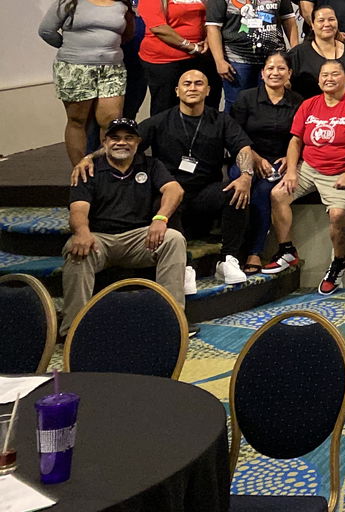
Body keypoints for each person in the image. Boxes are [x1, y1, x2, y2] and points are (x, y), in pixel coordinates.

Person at [76, 68, 258, 291]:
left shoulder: (221, 120)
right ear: (177, 91)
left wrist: (246, 176)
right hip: (169, 194)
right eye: (187, 83)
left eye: (199, 84)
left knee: (237, 191)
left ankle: (227, 259)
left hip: (204, 194)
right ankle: (184, 268)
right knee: (161, 201)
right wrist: (89, 158)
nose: (192, 88)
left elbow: (243, 147)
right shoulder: (160, 121)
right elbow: (125, 143)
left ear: (209, 90)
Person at [265, 60, 345, 293]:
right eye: (324, 74)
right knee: (277, 194)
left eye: (335, 74)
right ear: (318, 80)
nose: (329, 78)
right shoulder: (309, 105)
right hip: (309, 167)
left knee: (337, 215)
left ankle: (338, 263)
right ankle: (287, 250)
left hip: (342, 169)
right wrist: (291, 171)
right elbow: (295, 140)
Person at [62, 117, 185, 324]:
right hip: (100, 239)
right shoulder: (88, 170)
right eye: (115, 138)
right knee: (76, 248)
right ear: (105, 142)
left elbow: (175, 189)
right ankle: (74, 328)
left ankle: (171, 321)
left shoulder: (151, 165)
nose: (122, 142)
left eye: (129, 138)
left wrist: (160, 218)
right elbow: (78, 210)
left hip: (139, 239)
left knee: (174, 239)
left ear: (137, 142)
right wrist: (82, 232)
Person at [39, 0, 134, 164]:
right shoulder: (70, 0)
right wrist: (72, 49)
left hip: (113, 68)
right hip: (75, 68)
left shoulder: (121, 5)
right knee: (77, 120)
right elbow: (46, 30)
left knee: (110, 122)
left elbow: (127, 34)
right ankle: (79, 171)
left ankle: (104, 170)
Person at [227, 50, 298, 275]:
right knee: (238, 185)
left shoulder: (297, 101)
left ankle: (254, 251)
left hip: (279, 161)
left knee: (264, 190)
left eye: (281, 68)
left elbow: (299, 137)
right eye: (270, 68)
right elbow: (234, 134)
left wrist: (290, 157)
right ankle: (231, 252)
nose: (275, 73)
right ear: (262, 72)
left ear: (289, 73)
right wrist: (254, 158)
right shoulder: (246, 97)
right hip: (247, 156)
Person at [205, 0, 297, 109]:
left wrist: (295, 52)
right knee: (237, 106)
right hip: (237, 61)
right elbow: (213, 28)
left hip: (272, 59)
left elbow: (289, 20)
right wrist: (219, 60)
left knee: (272, 104)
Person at [138, 0, 218, 115]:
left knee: (194, 107)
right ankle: (163, 142)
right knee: (166, 109)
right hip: (165, 62)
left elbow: (202, 18)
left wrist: (205, 41)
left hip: (194, 58)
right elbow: (159, 28)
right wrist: (190, 46)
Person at [107, 0, 152, 119]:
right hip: (113, 50)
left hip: (141, 48)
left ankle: (127, 142)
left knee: (134, 99)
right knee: (107, 106)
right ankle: (98, 146)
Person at [291, 6, 345, 97]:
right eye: (321, 20)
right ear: (312, 25)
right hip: (309, 109)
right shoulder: (298, 54)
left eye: (331, 19)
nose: (327, 24)